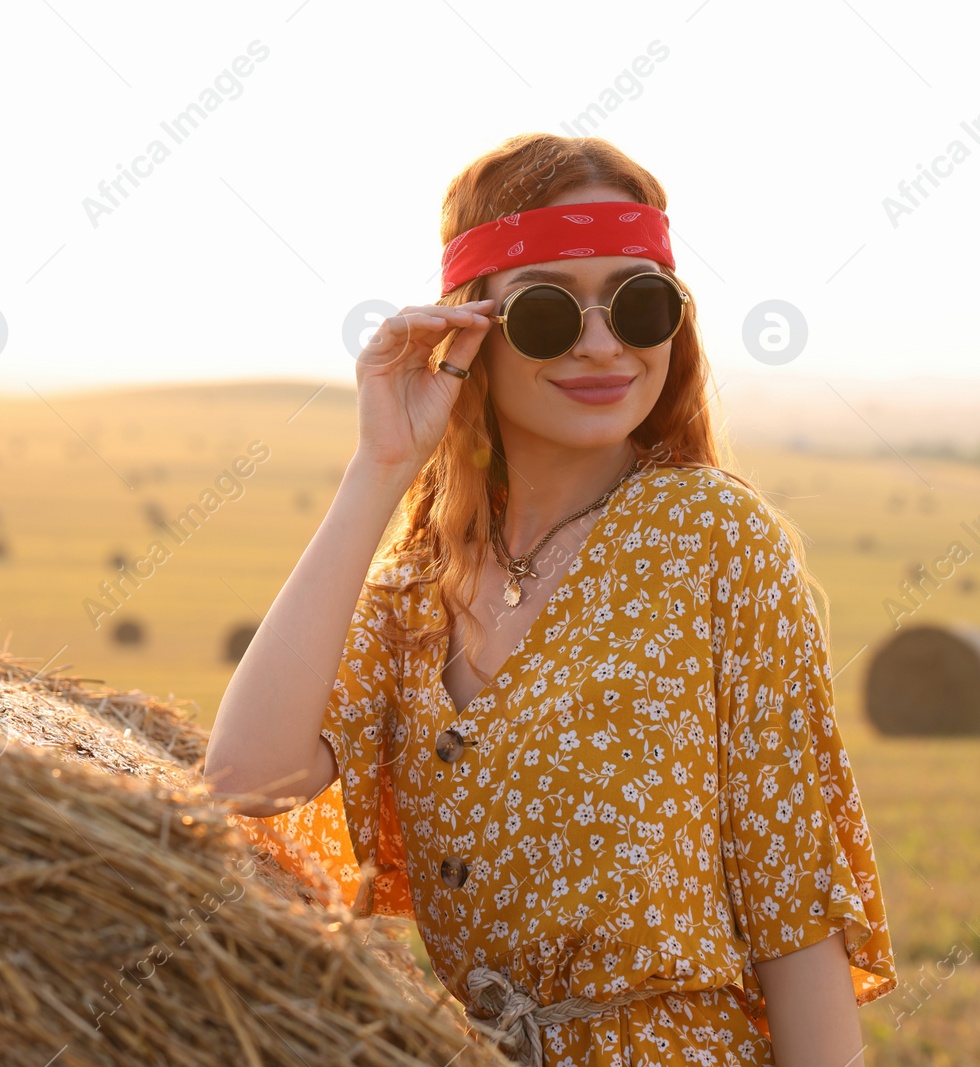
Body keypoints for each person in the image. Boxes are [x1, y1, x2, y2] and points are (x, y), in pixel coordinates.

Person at [204, 133, 896, 1066]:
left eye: (639, 303)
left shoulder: (710, 537)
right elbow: (245, 777)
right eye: (546, 312)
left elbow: (791, 907)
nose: (603, 343)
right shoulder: (414, 587)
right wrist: (379, 468)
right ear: (466, 333)